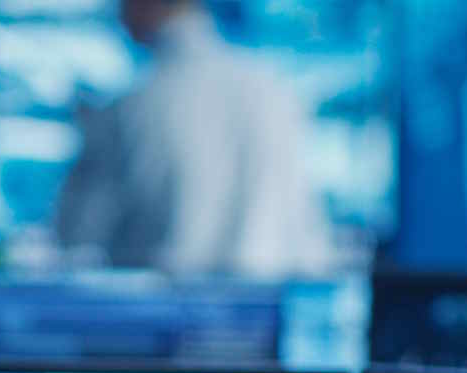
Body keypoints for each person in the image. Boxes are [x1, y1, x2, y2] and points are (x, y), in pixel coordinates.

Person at [54, 0, 336, 277]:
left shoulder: (131, 107)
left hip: (161, 314)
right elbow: (312, 245)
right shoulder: (275, 92)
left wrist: (87, 135)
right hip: (268, 312)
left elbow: (74, 233)